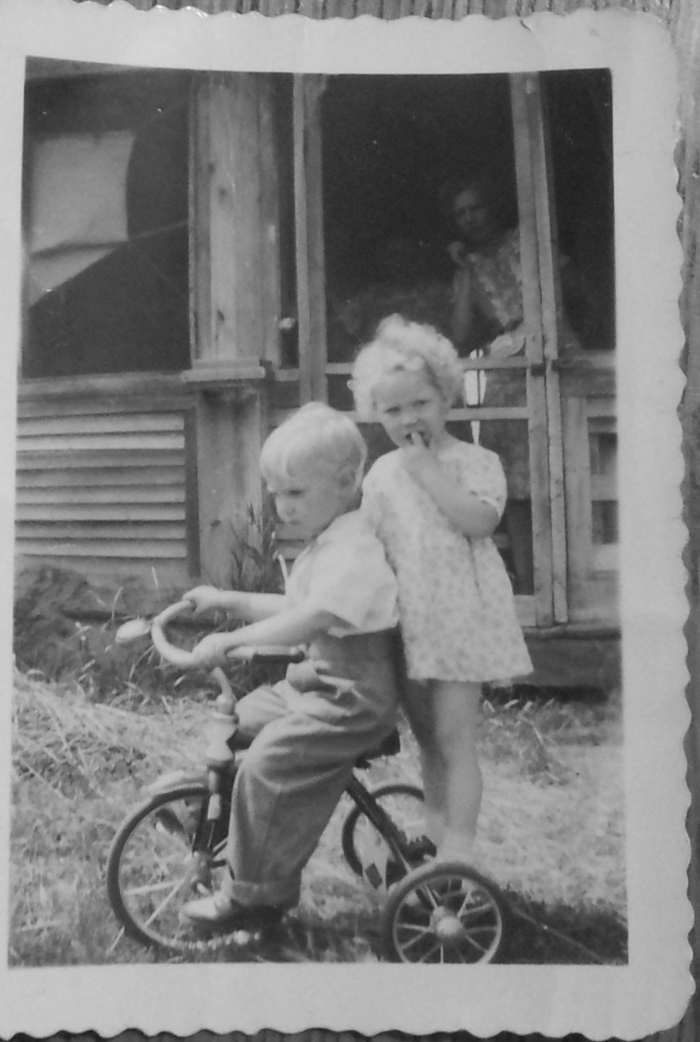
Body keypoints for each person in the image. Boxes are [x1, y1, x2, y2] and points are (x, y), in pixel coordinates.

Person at [177, 402, 402, 929]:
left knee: (268, 765)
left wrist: (234, 641)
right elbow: (293, 608)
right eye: (276, 493)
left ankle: (254, 897)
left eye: (295, 493)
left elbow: (309, 620)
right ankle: (215, 822)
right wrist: (227, 600)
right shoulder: (326, 543)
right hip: (315, 682)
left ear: (346, 483)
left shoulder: (355, 551)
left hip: (351, 698)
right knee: (235, 724)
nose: (283, 506)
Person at [351, 315, 532, 866]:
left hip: (460, 624)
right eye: (393, 410)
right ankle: (434, 839)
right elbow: (368, 546)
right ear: (375, 413)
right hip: (408, 626)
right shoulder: (381, 474)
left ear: (447, 396)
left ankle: (459, 852)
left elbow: (479, 522)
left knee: (455, 742)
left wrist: (428, 470)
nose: (409, 419)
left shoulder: (476, 461)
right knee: (427, 741)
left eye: (420, 403)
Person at [441, 174, 582, 593]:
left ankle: (575, 581)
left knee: (567, 466)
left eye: (476, 208)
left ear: (493, 206)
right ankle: (531, 584)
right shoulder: (471, 264)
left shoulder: (527, 238)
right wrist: (464, 272)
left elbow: (572, 289)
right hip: (508, 368)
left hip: (552, 348)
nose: (470, 218)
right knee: (514, 484)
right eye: (461, 214)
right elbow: (459, 333)